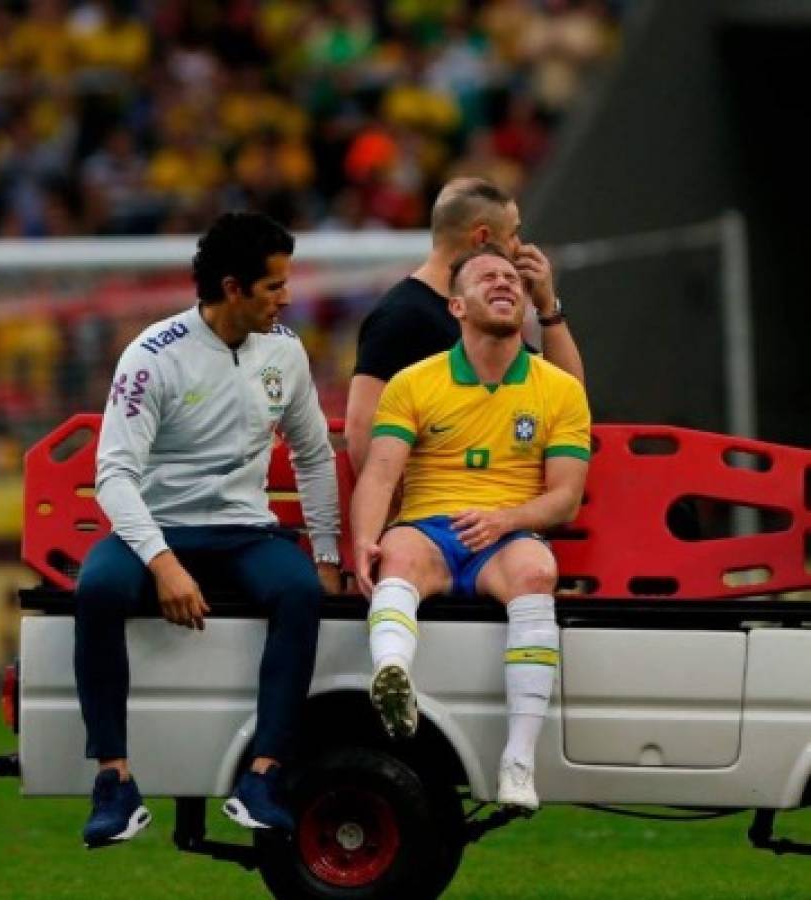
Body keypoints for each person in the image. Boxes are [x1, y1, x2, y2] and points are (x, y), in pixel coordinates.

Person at [75, 211, 341, 848]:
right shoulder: (151, 356)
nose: (287, 297)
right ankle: (114, 780)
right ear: (232, 288)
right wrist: (163, 563)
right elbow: (113, 474)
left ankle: (263, 777)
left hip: (245, 533)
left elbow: (313, 455)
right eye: (274, 286)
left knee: (301, 592)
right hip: (158, 531)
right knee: (97, 591)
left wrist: (328, 554)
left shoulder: (285, 352)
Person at [351, 244, 590, 812]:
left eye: (512, 277)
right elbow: (382, 474)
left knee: (537, 571)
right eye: (487, 277)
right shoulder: (413, 382)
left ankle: (518, 762)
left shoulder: (558, 388)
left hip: (507, 536)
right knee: (398, 553)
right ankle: (391, 675)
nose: (504, 282)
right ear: (456, 305)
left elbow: (565, 499)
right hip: (431, 528)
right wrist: (363, 537)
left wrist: (506, 518)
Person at [345, 176, 584, 475]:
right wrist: (396, 519)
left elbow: (570, 402)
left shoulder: (485, 315)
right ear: (482, 238)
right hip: (434, 512)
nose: (519, 247)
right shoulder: (400, 317)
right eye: (513, 234)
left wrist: (548, 308)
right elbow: (361, 432)